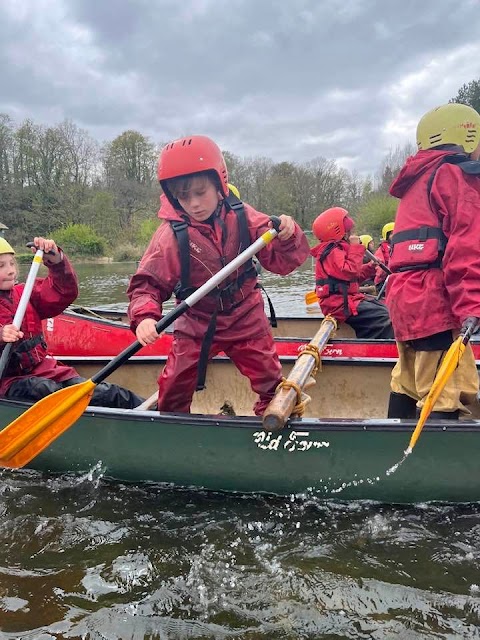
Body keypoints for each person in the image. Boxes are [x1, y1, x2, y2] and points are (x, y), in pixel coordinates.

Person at [127, 135, 310, 416]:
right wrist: (145, 317)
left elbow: (283, 263)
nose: (194, 203)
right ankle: (172, 427)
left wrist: (288, 235)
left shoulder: (244, 217)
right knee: (174, 385)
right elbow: (147, 285)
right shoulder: (170, 236)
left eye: (201, 192)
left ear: (219, 183)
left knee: (270, 382)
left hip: (245, 315)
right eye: (184, 196)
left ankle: (273, 422)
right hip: (196, 320)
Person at [386, 103, 480, 420]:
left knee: (408, 379)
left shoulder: (418, 179)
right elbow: (466, 248)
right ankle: (429, 463)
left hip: (404, 300)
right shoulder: (454, 176)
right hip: (432, 302)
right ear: (468, 136)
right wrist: (471, 307)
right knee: (442, 393)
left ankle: (389, 443)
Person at [0, 237, 143, 408]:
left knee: (103, 393)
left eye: (11, 264)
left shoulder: (25, 293)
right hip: (8, 382)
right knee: (45, 390)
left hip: (45, 371)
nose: (10, 271)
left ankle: (154, 411)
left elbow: (63, 292)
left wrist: (55, 260)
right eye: (1, 266)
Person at [311, 207, 394, 339]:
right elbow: (349, 272)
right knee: (382, 317)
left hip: (348, 300)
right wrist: (356, 248)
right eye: (348, 231)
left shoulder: (339, 249)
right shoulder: (331, 252)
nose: (351, 234)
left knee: (386, 308)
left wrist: (370, 267)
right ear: (340, 231)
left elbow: (353, 278)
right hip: (339, 305)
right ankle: (372, 347)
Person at [374, 222, 394, 295]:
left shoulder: (400, 247)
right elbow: (379, 263)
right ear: (387, 236)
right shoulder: (382, 249)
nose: (394, 235)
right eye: (391, 233)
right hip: (384, 280)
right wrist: (381, 273)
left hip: (395, 277)